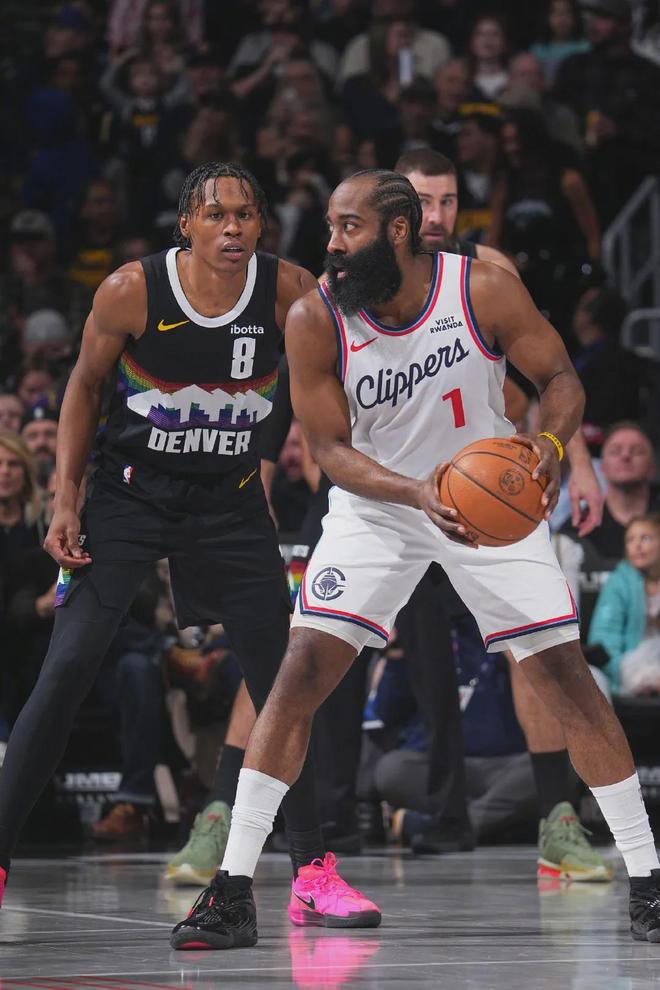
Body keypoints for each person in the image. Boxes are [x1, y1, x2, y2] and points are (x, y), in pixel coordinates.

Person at [171, 169, 660, 950]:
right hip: (381, 506)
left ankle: (648, 879)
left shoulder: (482, 288)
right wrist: (414, 491)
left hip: (490, 499)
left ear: (397, 230)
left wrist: (550, 440)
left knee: (567, 676)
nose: (332, 243)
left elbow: (561, 378)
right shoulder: (314, 317)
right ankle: (231, 891)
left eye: (350, 227)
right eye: (331, 226)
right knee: (297, 675)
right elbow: (329, 449)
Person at [0, 162, 378, 928]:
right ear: (186, 225)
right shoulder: (131, 290)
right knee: (67, 668)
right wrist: (67, 495)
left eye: (246, 214)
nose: (232, 227)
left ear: (261, 225)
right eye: (216, 214)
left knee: (284, 684)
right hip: (129, 497)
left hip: (229, 503)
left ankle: (312, 870)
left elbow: (350, 358)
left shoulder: (287, 289)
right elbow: (84, 387)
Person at [392, 148, 607, 871]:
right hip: (398, 495)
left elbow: (542, 377)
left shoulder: (488, 272)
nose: (436, 215)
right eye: (422, 200)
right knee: (376, 653)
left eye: (449, 200)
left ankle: (558, 819)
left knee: (533, 649)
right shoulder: (361, 280)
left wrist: (574, 461)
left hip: (485, 488)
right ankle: (428, 814)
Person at [589, 514, 660, 695]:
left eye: (646, 538)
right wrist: (618, 675)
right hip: (630, 665)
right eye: (630, 540)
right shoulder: (619, 582)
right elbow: (605, 636)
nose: (637, 545)